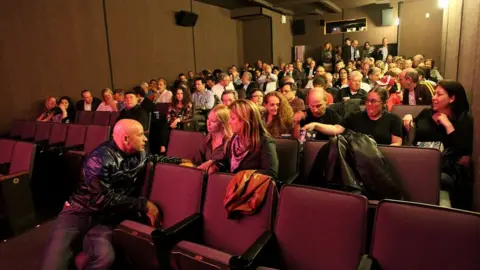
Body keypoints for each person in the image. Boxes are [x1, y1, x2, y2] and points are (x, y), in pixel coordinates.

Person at [42, 119, 159, 270]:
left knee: (104, 258)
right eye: (141, 134)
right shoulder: (99, 158)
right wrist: (143, 204)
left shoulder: (141, 152)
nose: (145, 138)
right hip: (79, 211)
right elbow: (103, 199)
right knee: (54, 263)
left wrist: (182, 161)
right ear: (126, 139)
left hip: (106, 218)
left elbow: (153, 160)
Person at [303, 87, 403, 146]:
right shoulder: (355, 116)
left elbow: (396, 145)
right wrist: (315, 124)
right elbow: (336, 129)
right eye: (367, 100)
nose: (368, 104)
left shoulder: (393, 120)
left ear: (384, 103)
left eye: (373, 101)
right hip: (358, 160)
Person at [213, 100, 278, 178]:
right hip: (233, 186)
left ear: (245, 121)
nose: (229, 122)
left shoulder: (265, 143)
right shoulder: (234, 138)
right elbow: (227, 162)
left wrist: (244, 175)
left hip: (250, 188)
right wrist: (215, 165)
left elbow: (271, 173)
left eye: (233, 118)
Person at [194, 105, 232, 173]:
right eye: (208, 119)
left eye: (213, 121)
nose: (208, 123)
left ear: (223, 124)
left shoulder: (230, 142)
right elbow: (197, 161)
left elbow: (229, 166)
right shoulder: (207, 139)